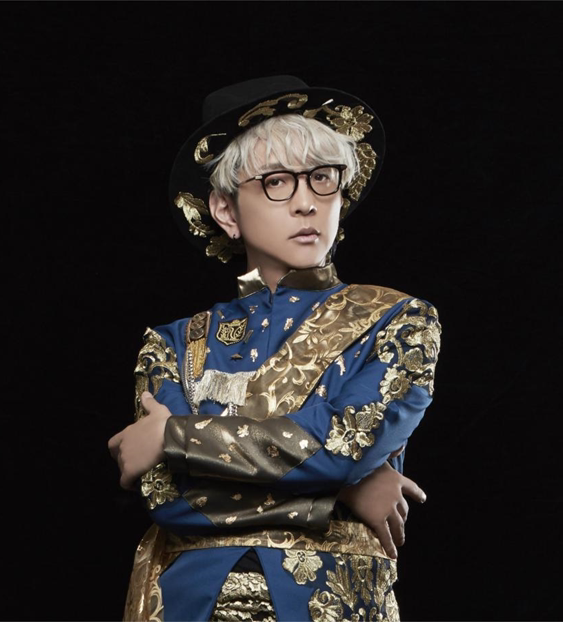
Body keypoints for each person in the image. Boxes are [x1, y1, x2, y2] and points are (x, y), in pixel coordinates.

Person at [108, 75, 442, 622]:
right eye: (277, 182)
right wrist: (343, 493)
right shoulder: (173, 343)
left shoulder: (398, 320)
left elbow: (338, 446)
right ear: (226, 211)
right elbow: (169, 498)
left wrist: (174, 436)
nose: (307, 203)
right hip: (190, 605)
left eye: (322, 178)